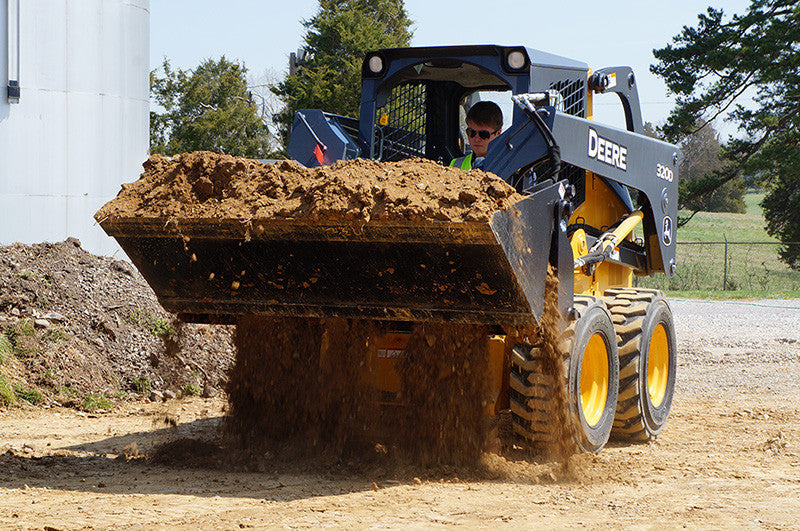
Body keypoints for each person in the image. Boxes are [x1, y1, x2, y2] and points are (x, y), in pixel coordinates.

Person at [450, 101, 503, 170]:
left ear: (498, 134)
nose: (477, 139)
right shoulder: (456, 165)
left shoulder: (508, 166)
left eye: (484, 134)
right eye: (471, 132)